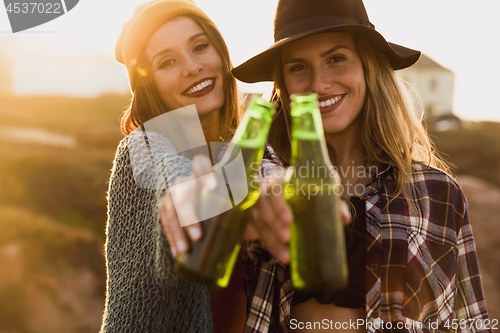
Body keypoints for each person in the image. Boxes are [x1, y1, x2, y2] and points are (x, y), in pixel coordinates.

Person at [230, 0, 491, 332]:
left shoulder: (439, 193)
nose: (319, 84)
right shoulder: (258, 168)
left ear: (369, 66)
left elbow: (471, 321)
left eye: (336, 59)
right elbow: (236, 185)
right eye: (298, 67)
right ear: (282, 84)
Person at [99, 0, 245, 332]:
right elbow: (168, 174)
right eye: (168, 62)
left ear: (221, 52)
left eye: (200, 47)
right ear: (148, 84)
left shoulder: (245, 148)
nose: (192, 67)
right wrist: (187, 190)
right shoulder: (143, 146)